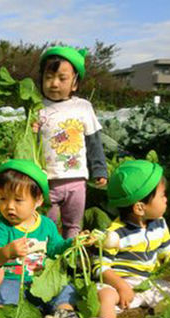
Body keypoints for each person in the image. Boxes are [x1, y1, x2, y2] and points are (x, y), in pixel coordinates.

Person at [0, 159, 83, 318]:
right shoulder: (1, 226)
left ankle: (62, 313)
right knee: (4, 294)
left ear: (37, 200)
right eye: (3, 198)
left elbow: (55, 248)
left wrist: (72, 243)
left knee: (66, 289)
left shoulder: (46, 225)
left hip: (41, 282)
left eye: (18, 200)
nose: (9, 206)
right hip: (13, 280)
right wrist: (7, 252)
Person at [85, 160, 170, 318]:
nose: (166, 199)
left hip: (148, 283)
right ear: (140, 207)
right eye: (162, 195)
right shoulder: (115, 234)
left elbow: (168, 253)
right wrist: (121, 285)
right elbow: (100, 266)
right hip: (120, 285)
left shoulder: (160, 225)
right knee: (104, 293)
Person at [37, 46, 108, 238]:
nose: (54, 83)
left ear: (75, 83)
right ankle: (48, 258)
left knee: (73, 224)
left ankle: (71, 259)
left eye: (62, 78)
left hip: (76, 179)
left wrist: (99, 169)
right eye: (49, 77)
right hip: (47, 180)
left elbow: (93, 141)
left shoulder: (83, 107)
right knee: (46, 224)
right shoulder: (37, 108)